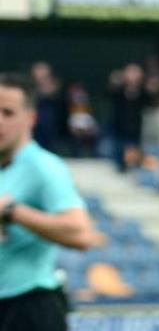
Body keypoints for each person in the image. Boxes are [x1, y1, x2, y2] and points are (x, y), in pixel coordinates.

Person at [0, 73, 100, 331]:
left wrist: (13, 212)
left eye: (7, 113)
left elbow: (81, 234)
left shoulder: (43, 167)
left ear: (30, 118)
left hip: (28, 306)